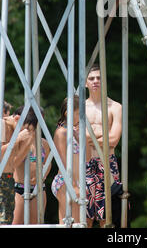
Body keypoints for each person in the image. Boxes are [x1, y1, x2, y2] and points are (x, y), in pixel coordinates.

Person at [85, 64, 122, 228]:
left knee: (106, 218)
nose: (95, 81)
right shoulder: (79, 108)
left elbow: (114, 139)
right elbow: (77, 139)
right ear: (85, 83)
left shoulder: (115, 107)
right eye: (91, 78)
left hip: (107, 163)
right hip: (84, 163)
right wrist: (102, 136)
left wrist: (89, 138)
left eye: (99, 78)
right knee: (83, 217)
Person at [12, 106, 51, 225]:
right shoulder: (19, 140)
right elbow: (14, 163)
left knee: (36, 223)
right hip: (20, 187)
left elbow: (48, 163)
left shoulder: (44, 142)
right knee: (16, 224)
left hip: (38, 187)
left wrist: (43, 175)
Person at [51, 96, 80, 224]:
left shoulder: (75, 131)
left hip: (77, 181)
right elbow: (62, 161)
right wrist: (73, 185)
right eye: (79, 113)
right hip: (66, 181)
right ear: (68, 113)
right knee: (73, 222)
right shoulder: (61, 132)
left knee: (74, 222)